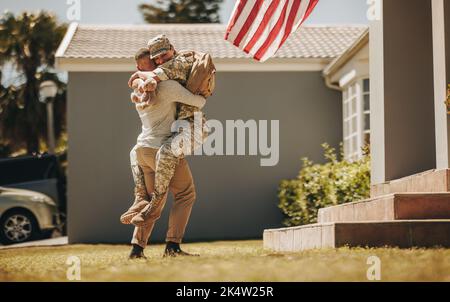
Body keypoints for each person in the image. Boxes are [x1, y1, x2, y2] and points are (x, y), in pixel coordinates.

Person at [122, 53, 206, 259]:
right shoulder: (167, 87)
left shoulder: (138, 90)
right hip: (162, 149)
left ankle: (137, 249)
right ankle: (172, 246)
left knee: (151, 200)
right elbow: (199, 101)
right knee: (185, 195)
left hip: (142, 149)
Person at [127, 34, 215, 227]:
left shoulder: (177, 64)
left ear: (172, 49)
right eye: (156, 58)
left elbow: (155, 75)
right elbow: (199, 100)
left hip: (190, 128)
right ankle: (147, 215)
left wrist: (137, 76)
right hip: (172, 135)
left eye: (163, 55)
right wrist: (140, 77)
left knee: (159, 156)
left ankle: (148, 205)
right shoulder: (165, 83)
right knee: (184, 193)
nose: (160, 60)